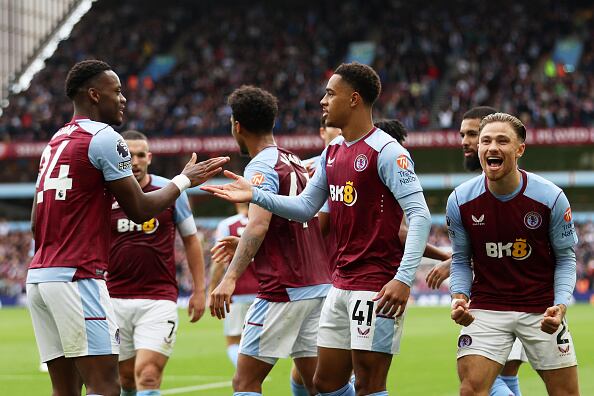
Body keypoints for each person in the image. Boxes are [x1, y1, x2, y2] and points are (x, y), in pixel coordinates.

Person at [202, 62, 432, 396]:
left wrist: (403, 278)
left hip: (374, 285)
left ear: (353, 100)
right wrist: (257, 195)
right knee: (325, 383)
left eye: (330, 94)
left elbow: (420, 215)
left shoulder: (388, 151)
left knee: (368, 382)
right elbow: (305, 207)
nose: (323, 101)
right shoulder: (333, 152)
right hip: (338, 283)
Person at [26, 59, 228, 396]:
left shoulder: (55, 141)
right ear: (94, 95)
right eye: (116, 91)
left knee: (65, 391)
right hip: (78, 278)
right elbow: (139, 208)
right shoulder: (106, 138)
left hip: (40, 278)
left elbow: (36, 220)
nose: (124, 99)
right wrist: (183, 180)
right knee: (106, 386)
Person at [209, 85, 332, 396]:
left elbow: (258, 226)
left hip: (283, 288)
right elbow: (295, 221)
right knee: (316, 384)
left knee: (245, 382)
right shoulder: (295, 161)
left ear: (236, 125)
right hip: (316, 284)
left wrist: (229, 279)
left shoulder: (261, 165)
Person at [447, 112, 579, 396]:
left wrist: (560, 304)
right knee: (471, 390)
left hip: (540, 308)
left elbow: (566, 259)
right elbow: (460, 259)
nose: (492, 147)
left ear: (519, 149)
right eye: (486, 141)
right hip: (487, 307)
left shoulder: (551, 198)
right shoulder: (459, 200)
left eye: (502, 141)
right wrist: (459, 296)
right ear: (479, 149)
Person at [426, 106, 528, 396]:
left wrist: (454, 261)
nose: (465, 141)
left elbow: (510, 243)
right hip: (495, 297)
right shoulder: (470, 192)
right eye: (463, 134)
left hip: (509, 296)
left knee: (479, 383)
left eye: (473, 134)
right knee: (503, 377)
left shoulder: (511, 189)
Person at [107, 130, 207, 396]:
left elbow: (191, 241)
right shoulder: (106, 194)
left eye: (141, 155)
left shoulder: (170, 191)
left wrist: (199, 290)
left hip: (158, 298)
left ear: (149, 158)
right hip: (113, 299)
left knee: (148, 375)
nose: (135, 160)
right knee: (126, 378)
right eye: (128, 155)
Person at [209, 202, 259, 368]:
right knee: (259, 342)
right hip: (263, 291)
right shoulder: (262, 222)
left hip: (237, 292)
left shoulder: (227, 225)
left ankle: (246, 376)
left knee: (233, 341)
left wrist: (212, 289)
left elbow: (218, 262)